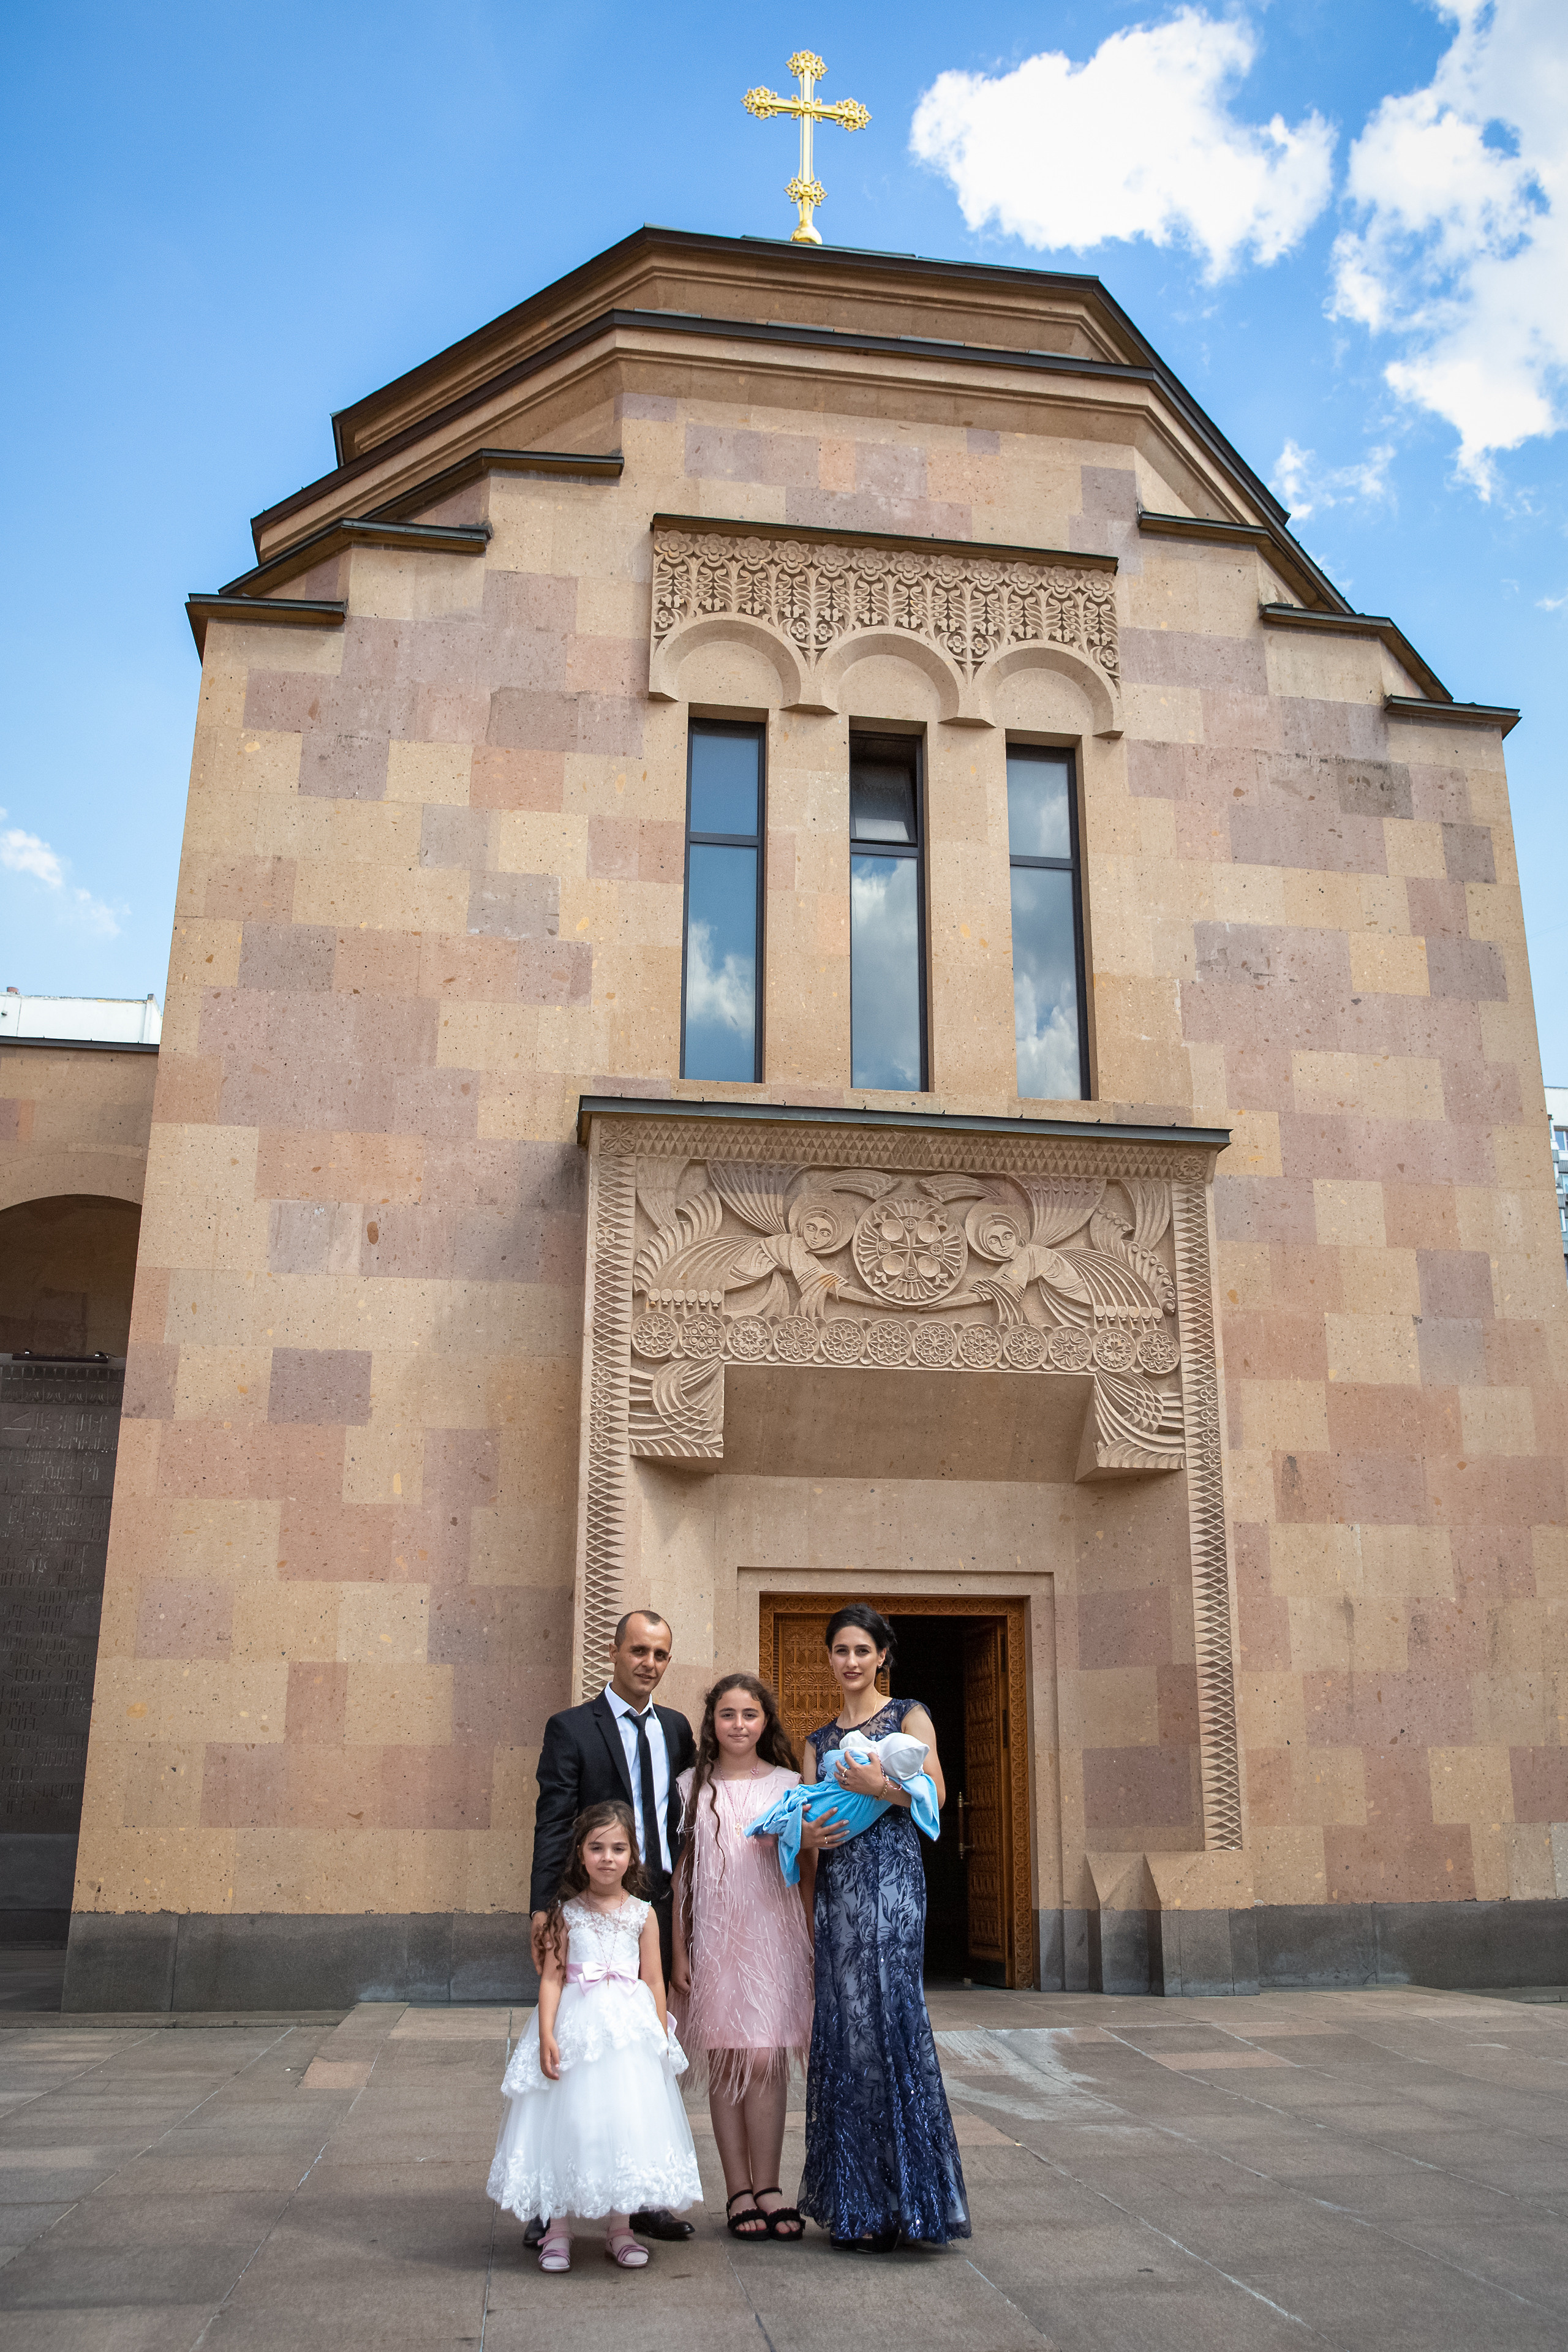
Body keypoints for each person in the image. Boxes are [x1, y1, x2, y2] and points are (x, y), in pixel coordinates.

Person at [797, 1603, 970, 2250]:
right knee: (847, 2041)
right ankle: (856, 2207)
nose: (850, 1662)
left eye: (860, 1651)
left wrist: (879, 1785)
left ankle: (913, 2206)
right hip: (838, 1897)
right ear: (830, 1658)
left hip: (894, 1892)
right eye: (839, 1650)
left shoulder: (907, 1716)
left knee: (891, 2027)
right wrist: (803, 1833)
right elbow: (806, 1823)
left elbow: (936, 1794)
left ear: (881, 1656)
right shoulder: (814, 1742)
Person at [527, 1610, 697, 2242]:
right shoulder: (571, 1728)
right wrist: (544, 1908)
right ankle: (553, 2205)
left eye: (659, 1654)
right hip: (587, 1908)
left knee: (643, 2054)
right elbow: (552, 1820)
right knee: (571, 2055)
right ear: (614, 1652)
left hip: (658, 1905)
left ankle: (641, 2194)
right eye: (638, 1651)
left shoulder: (678, 1730)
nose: (648, 1663)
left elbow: (686, 1815)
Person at [489, 1801, 702, 2272]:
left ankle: (620, 2229)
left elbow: (652, 1980)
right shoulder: (564, 1914)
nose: (608, 1857)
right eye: (597, 1848)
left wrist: (660, 2033)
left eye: (618, 1848)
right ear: (580, 1855)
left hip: (626, 2033)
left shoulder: (644, 1915)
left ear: (633, 1856)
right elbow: (552, 1978)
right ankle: (558, 2230)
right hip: (575, 2027)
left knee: (622, 2120)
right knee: (569, 2121)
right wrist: (546, 2034)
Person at [670, 1674, 814, 2243]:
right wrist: (679, 1946)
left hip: (773, 1935)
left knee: (765, 2058)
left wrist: (807, 1939)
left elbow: (806, 1867)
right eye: (726, 1715)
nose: (738, 1725)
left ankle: (771, 2184)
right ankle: (737, 2189)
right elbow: (681, 1874)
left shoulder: (788, 1783)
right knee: (728, 2057)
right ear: (712, 1723)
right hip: (714, 1937)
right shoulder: (688, 1786)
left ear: (765, 1722)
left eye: (749, 1715)